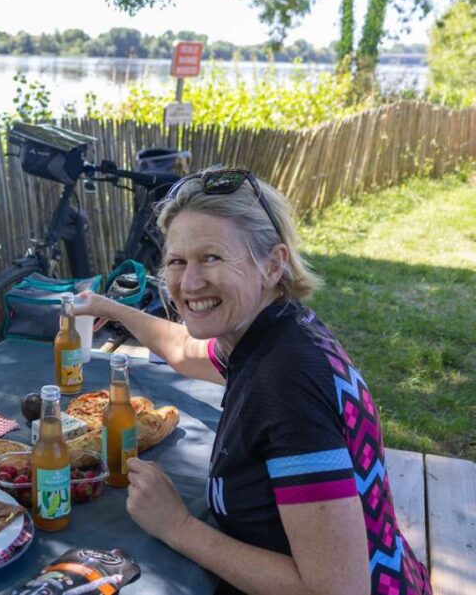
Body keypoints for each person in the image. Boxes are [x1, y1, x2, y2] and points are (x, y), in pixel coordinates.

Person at [74, 169, 431, 595]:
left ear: (273, 263)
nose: (188, 283)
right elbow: (184, 348)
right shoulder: (271, 330)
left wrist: (178, 526)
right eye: (176, 261)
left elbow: (338, 590)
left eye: (212, 258)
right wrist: (112, 309)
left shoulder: (286, 384)